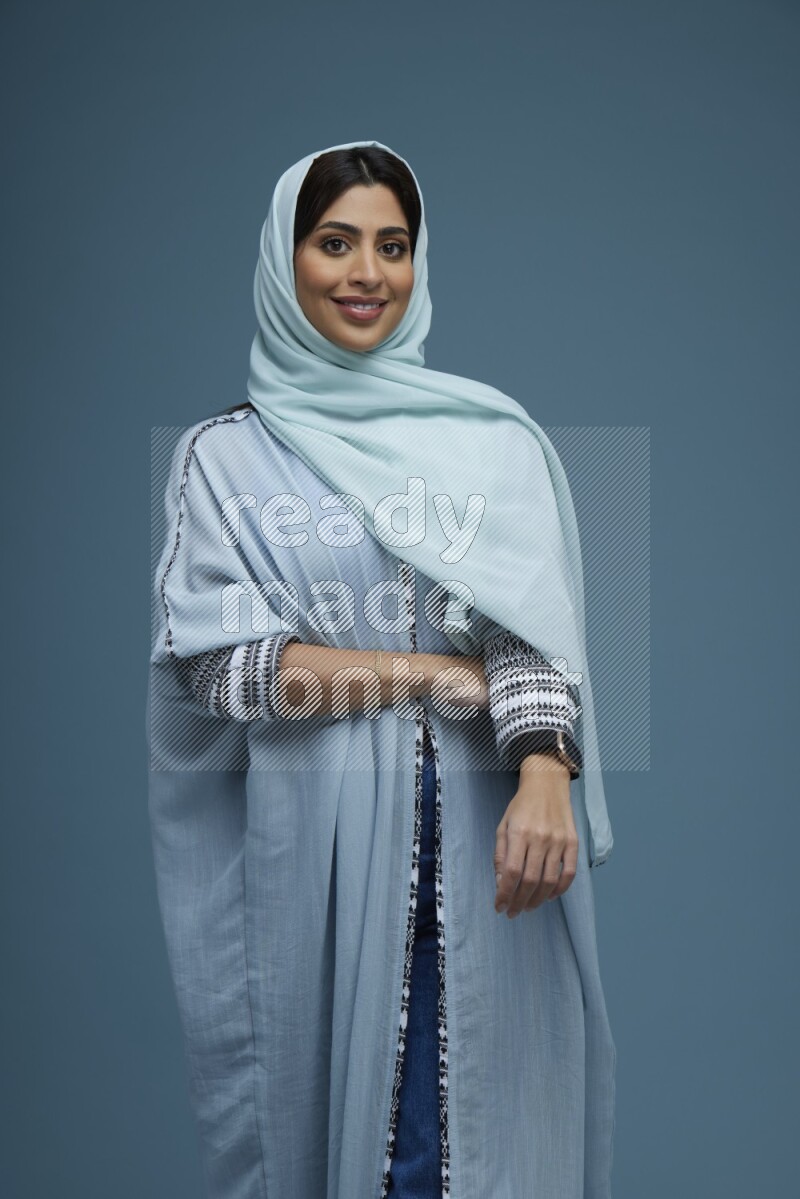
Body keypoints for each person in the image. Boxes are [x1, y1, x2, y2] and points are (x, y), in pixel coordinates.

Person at [148, 140, 616, 1199]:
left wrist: (545, 770)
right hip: (315, 856)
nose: (366, 272)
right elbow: (227, 670)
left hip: (491, 846)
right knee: (356, 1148)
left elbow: (526, 629)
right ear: (286, 258)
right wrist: (425, 674)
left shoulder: (483, 439)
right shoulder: (225, 457)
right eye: (335, 242)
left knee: (488, 1145)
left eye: (391, 245)